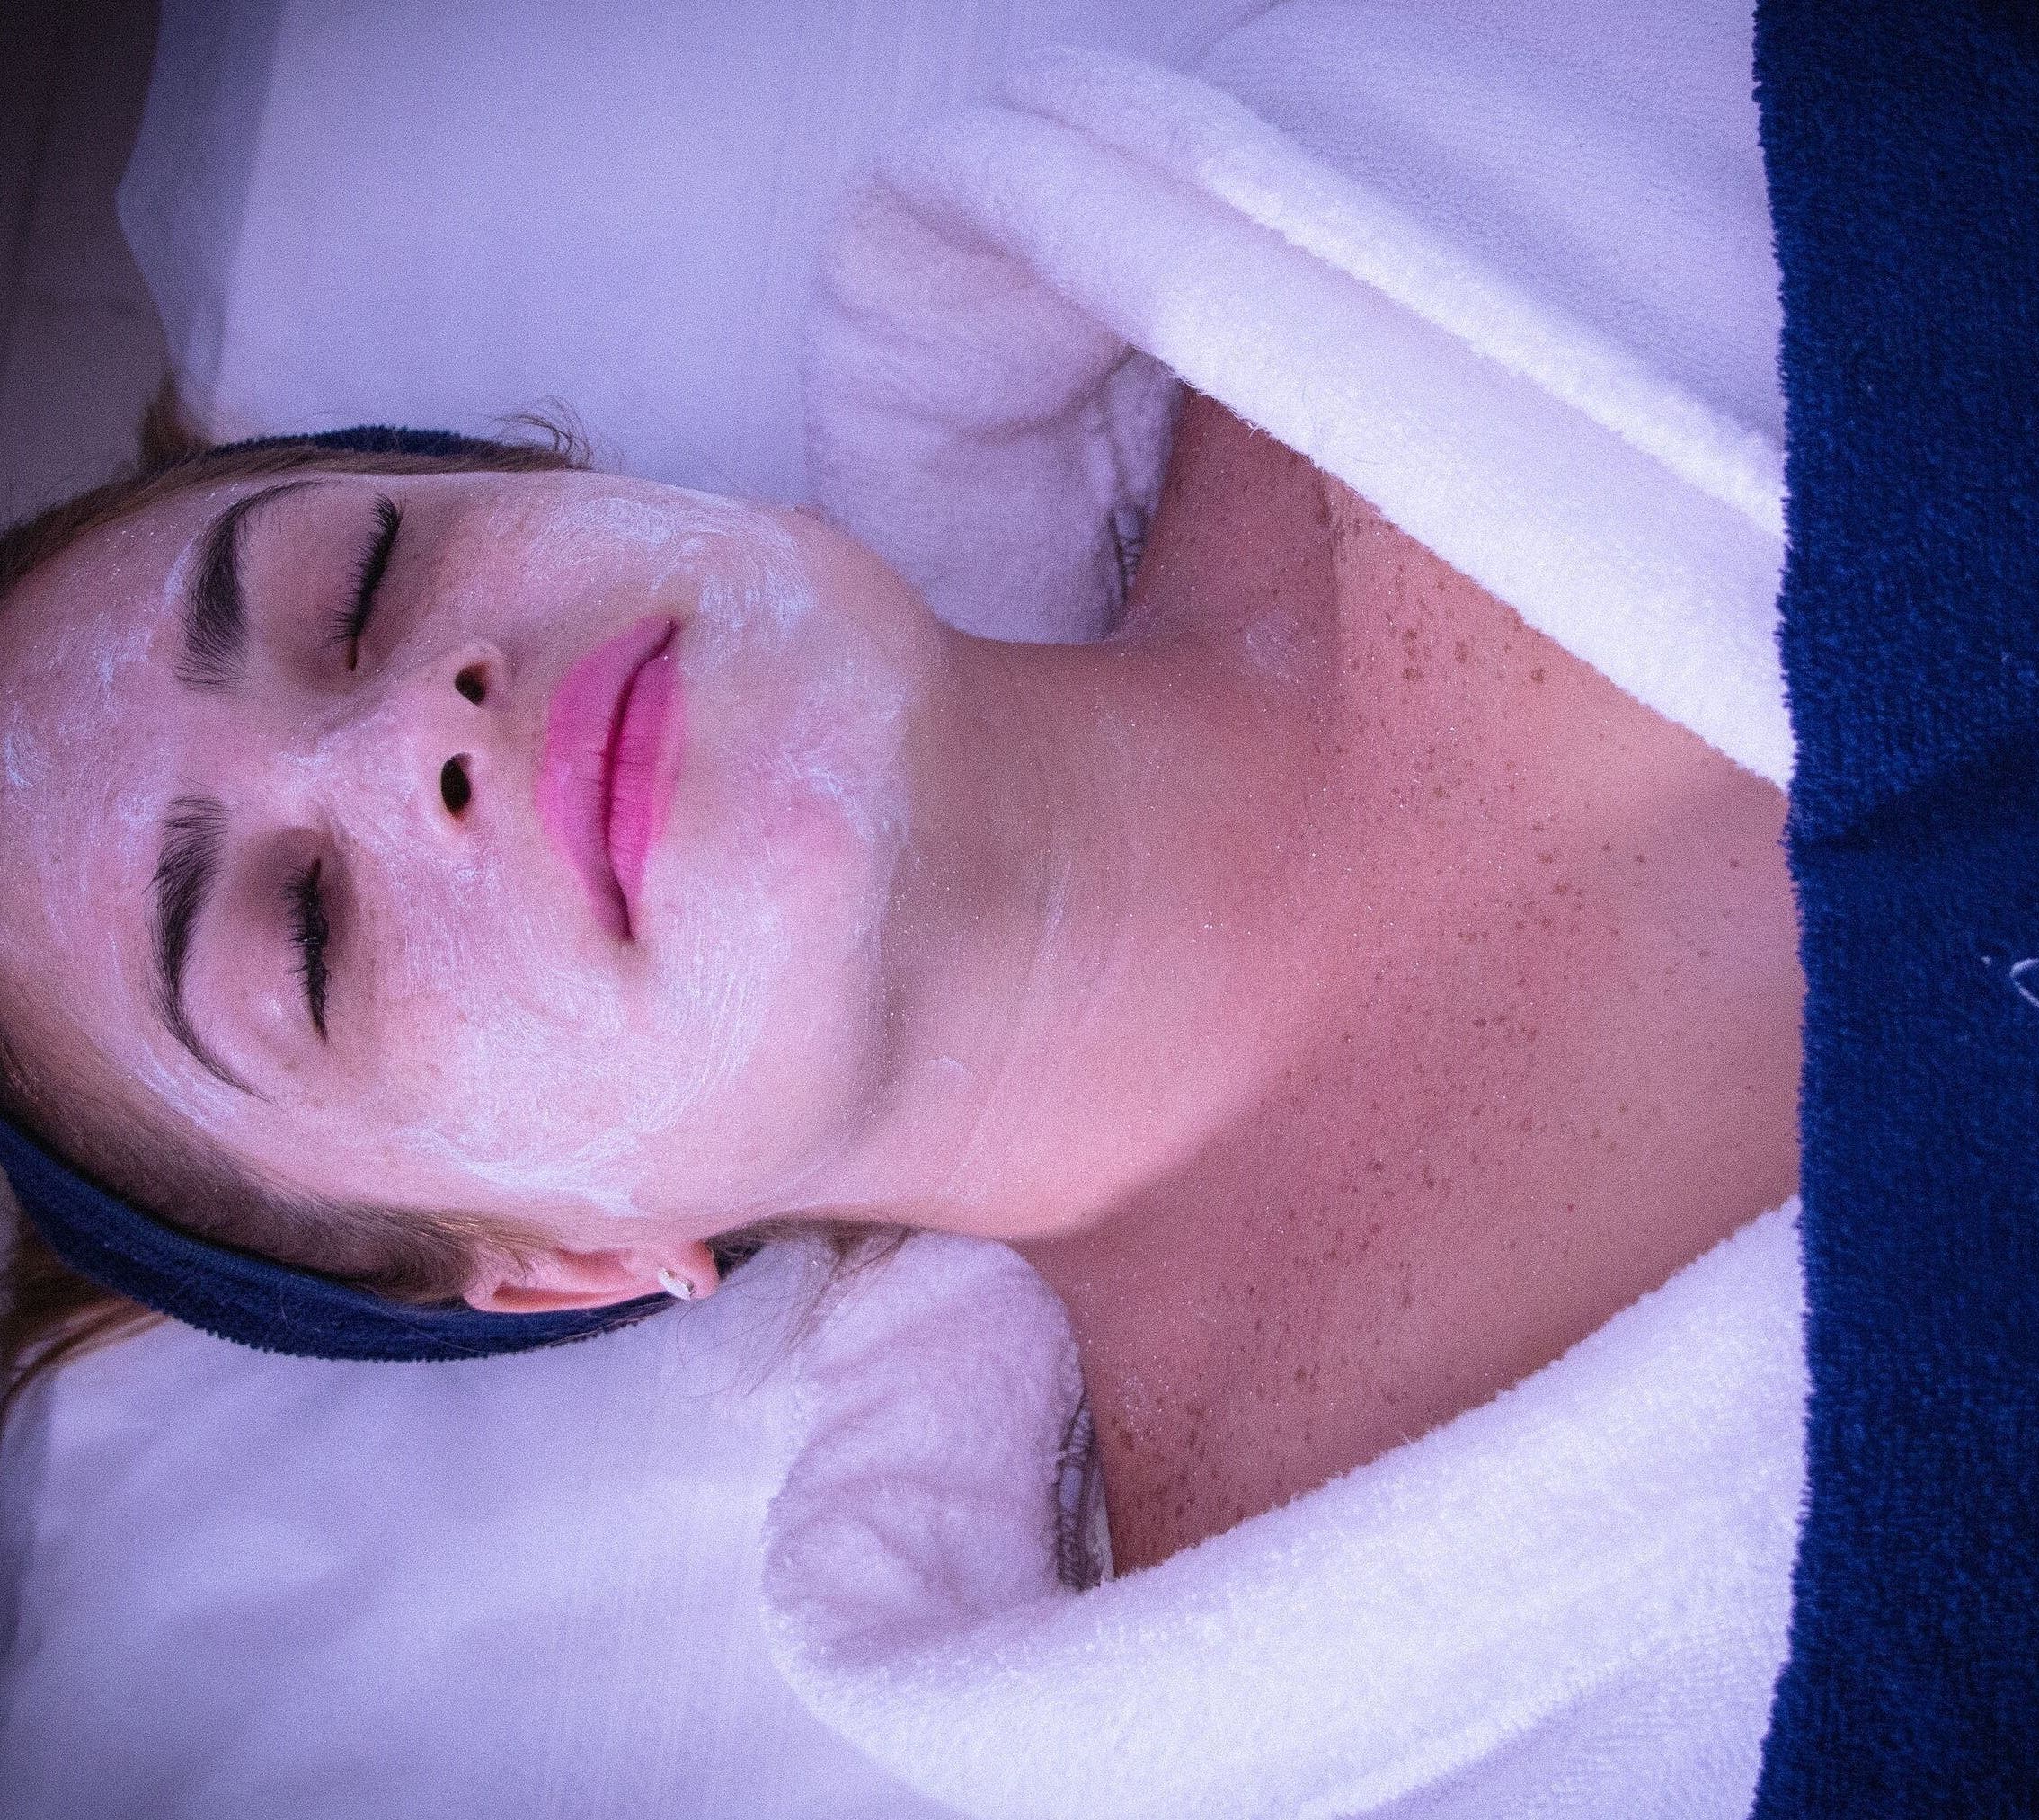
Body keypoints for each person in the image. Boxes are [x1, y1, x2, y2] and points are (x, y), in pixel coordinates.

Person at [0, 372, 1802, 1570]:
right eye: (305, 937)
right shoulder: (1395, 1651)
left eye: (355, 583)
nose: (416, 732)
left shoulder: (1435, 183)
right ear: (564, 1271)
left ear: (588, 485)